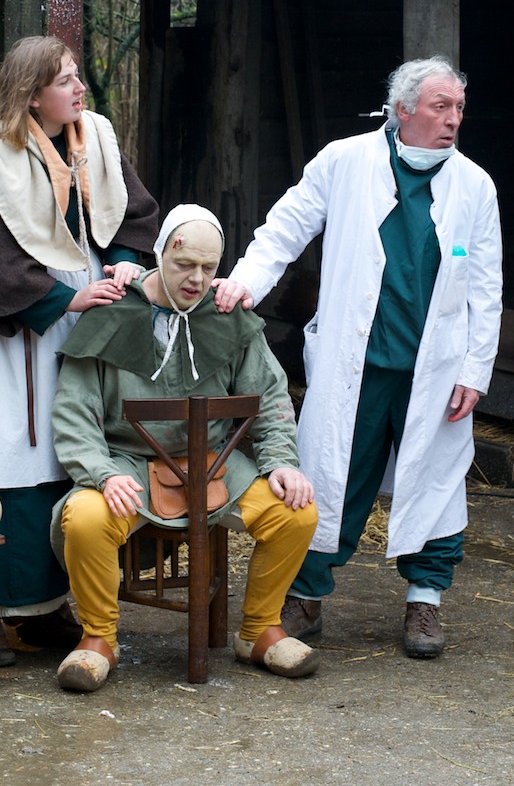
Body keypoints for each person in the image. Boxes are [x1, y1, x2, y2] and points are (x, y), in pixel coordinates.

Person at [212, 56, 502, 660]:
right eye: (441, 107)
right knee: (329, 476)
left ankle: (425, 599)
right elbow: (286, 226)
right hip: (358, 364)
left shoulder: (474, 185)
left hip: (435, 370)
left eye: (459, 108)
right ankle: (306, 595)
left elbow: (486, 285)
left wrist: (476, 369)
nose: (453, 119)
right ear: (403, 111)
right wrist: (245, 282)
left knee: (437, 482)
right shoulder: (344, 162)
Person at [0, 35, 159, 666]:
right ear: (31, 95)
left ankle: (47, 607)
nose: (80, 89)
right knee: (5, 467)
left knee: (68, 459)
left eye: (78, 76)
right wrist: (61, 300)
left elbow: (129, 215)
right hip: (18, 336)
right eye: (66, 80)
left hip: (87, 327)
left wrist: (124, 263)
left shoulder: (94, 140)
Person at [48, 205, 320, 692]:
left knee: (295, 513)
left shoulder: (227, 315)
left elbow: (271, 397)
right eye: (184, 265)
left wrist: (281, 461)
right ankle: (99, 638)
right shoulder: (113, 311)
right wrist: (101, 473)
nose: (196, 279)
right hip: (130, 463)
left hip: (215, 462)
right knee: (85, 517)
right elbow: (74, 412)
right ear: (160, 255)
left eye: (208, 267)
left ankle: (259, 631)